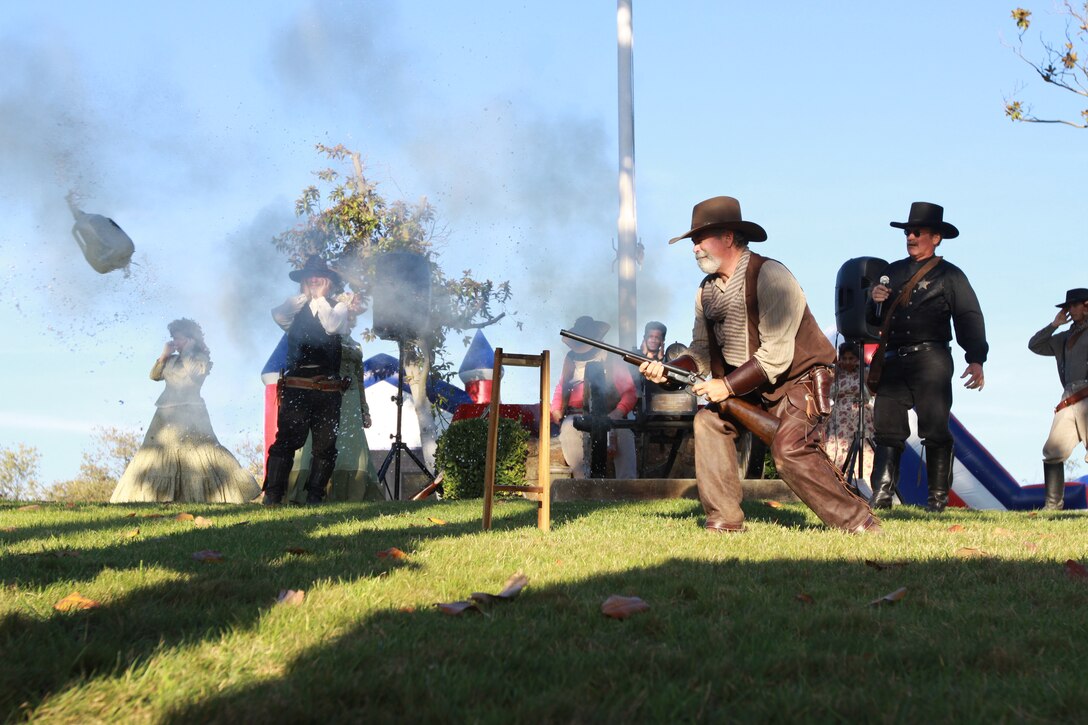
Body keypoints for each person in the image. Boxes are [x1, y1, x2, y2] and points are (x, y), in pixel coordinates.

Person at [640, 195, 879, 534]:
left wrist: (725, 386)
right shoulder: (705, 292)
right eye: (693, 241)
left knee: (788, 450)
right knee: (708, 422)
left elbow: (776, 357)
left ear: (727, 238)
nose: (695, 248)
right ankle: (724, 520)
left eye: (700, 239)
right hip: (750, 387)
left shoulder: (771, 276)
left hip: (797, 384)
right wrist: (668, 370)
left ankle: (859, 523)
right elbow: (701, 352)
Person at [867, 202, 987, 513]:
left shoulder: (950, 275)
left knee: (934, 429)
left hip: (931, 358)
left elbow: (969, 316)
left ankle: (937, 500)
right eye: (907, 231)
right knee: (886, 429)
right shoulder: (890, 272)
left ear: (936, 238)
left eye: (917, 232)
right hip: (893, 359)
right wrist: (874, 302)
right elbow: (874, 321)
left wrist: (976, 359)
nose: (910, 236)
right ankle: (881, 497)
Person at [111, 319, 260, 503]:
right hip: (164, 415)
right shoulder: (171, 360)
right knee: (156, 454)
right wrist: (164, 356)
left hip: (192, 415)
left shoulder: (201, 360)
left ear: (191, 339)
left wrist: (189, 351)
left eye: (179, 338)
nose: (175, 342)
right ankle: (156, 496)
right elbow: (154, 376)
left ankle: (212, 495)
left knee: (200, 454)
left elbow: (195, 374)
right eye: (173, 338)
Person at [263, 255, 362, 505]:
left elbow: (331, 326)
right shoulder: (294, 309)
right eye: (310, 277)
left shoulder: (338, 308)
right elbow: (278, 316)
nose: (315, 281)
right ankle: (273, 495)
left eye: (320, 277)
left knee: (325, 446)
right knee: (286, 441)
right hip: (297, 386)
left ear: (329, 282)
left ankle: (315, 497)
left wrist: (320, 298)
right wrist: (306, 297)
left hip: (328, 390)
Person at [551, 315, 638, 479]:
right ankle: (582, 483)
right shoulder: (570, 359)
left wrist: (617, 413)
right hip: (576, 414)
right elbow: (562, 386)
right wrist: (555, 409)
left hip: (609, 412)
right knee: (569, 429)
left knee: (624, 433)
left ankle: (627, 485)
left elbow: (629, 392)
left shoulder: (611, 357)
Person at [1028, 287, 1088, 510]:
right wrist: (1055, 325)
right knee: (1053, 451)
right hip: (1069, 398)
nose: (1070, 310)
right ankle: (1053, 505)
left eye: (1074, 305)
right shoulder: (1064, 337)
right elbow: (1035, 345)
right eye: (1068, 307)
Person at [819, 341, 875, 485]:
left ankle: (862, 484)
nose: (847, 361)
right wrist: (836, 370)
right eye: (844, 358)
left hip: (860, 416)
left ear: (857, 359)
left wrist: (861, 370)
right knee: (837, 448)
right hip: (839, 417)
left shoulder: (864, 373)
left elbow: (872, 392)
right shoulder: (836, 374)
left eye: (851, 358)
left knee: (863, 450)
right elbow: (826, 391)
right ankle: (836, 482)